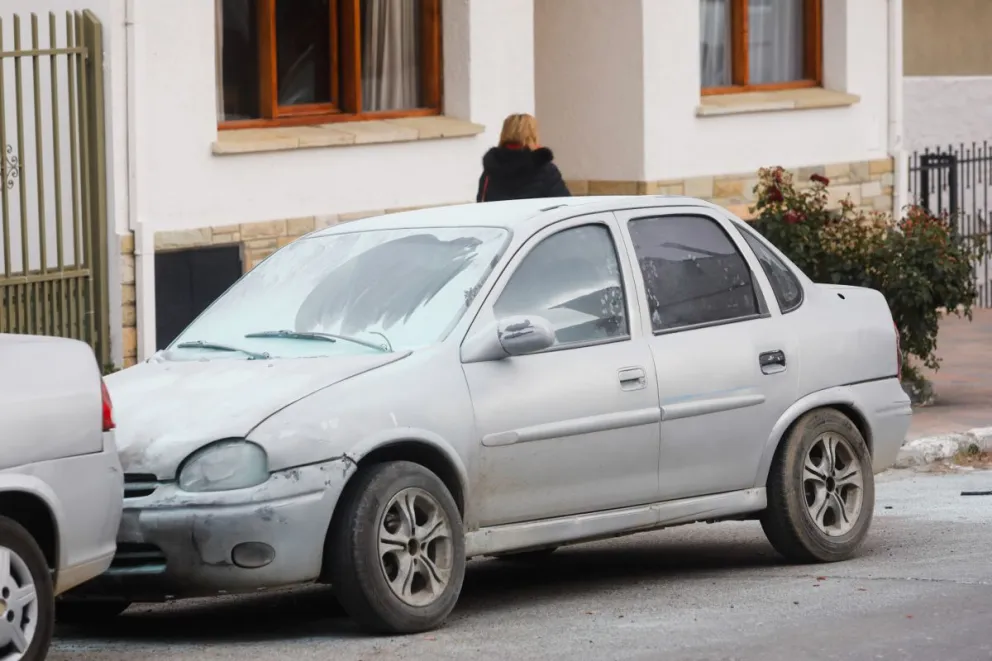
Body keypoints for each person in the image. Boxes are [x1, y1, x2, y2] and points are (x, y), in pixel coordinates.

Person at [476, 113, 571, 202]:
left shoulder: (492, 167)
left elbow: (482, 203)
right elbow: (563, 204)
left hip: (500, 219)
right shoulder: (545, 169)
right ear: (533, 134)